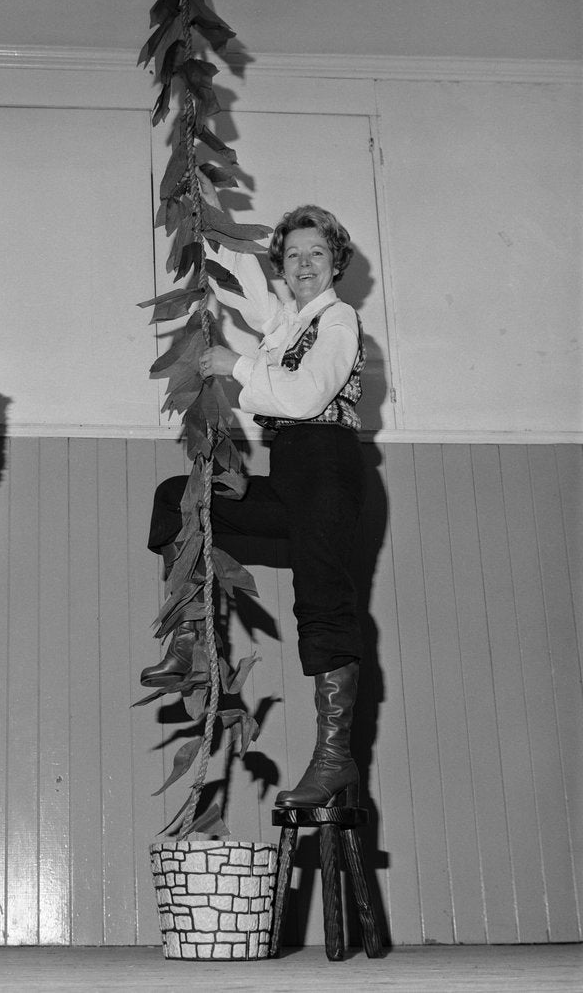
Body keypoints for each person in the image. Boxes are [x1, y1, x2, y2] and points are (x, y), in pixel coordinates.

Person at [141, 205, 366, 811]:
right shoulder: (290, 321)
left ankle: (335, 760)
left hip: (329, 472)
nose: (303, 264)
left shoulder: (339, 321)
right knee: (181, 498)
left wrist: (235, 367)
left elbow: (309, 393)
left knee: (321, 604)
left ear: (336, 260)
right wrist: (205, 220)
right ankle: (189, 641)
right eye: (292, 255)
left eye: (316, 253)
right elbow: (250, 293)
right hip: (291, 472)